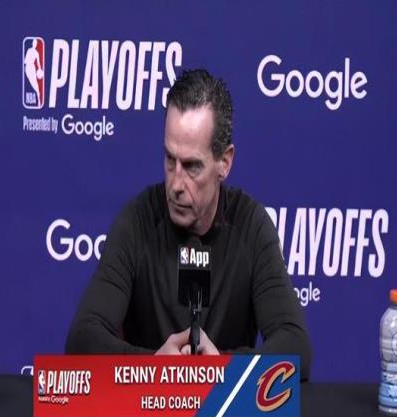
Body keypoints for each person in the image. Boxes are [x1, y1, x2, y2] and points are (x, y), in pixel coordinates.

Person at [65, 69, 311, 380]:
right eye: (170, 160)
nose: (176, 185)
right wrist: (153, 367)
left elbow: (296, 348)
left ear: (224, 162)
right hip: (148, 408)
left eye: (192, 166)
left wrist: (219, 367)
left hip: (225, 410)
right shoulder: (137, 220)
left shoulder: (251, 225)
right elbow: (82, 340)